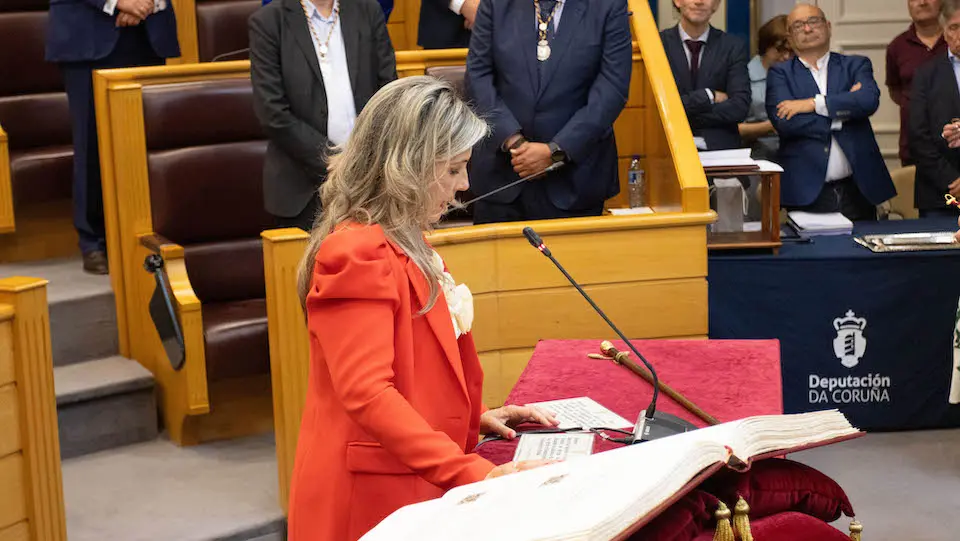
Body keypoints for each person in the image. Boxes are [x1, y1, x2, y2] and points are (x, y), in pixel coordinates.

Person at [288, 77, 558, 541]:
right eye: (454, 169)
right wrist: (468, 471)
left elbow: (421, 367)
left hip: (408, 480)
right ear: (407, 166)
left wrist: (476, 415)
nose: (465, 185)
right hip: (369, 499)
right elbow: (368, 393)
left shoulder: (405, 240)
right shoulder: (357, 251)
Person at [465, 0, 632, 224]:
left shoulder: (608, 5)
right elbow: (477, 78)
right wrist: (515, 144)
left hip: (575, 183)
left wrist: (555, 153)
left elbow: (612, 89)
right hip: (502, 178)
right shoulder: (496, 4)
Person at [46, 0, 179, 274]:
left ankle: (146, 233)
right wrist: (119, 2)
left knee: (147, 144)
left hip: (147, 34)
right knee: (91, 142)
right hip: (88, 32)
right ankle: (93, 241)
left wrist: (147, 3)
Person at [250, 0, 397, 231]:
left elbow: (389, 92)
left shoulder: (367, 10)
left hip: (370, 182)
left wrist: (361, 159)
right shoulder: (269, 21)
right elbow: (272, 112)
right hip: (302, 189)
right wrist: (331, 158)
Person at [767, 3, 895, 221]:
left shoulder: (855, 65)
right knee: (814, 253)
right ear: (790, 38)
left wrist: (813, 104)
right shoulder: (780, 73)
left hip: (858, 189)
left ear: (827, 26)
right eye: (798, 26)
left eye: (813, 22)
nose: (807, 29)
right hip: (807, 189)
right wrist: (844, 112)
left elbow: (867, 101)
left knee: (865, 251)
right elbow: (785, 122)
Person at [661, 0, 751, 151]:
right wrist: (708, 95)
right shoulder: (659, 44)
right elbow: (659, 107)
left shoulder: (733, 47)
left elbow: (740, 107)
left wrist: (683, 113)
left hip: (721, 153)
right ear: (677, 1)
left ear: (716, 4)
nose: (699, 2)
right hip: (670, 149)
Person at [910, 0, 960, 217]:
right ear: (944, 32)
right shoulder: (925, 74)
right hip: (939, 193)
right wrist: (953, 181)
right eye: (954, 27)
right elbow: (918, 136)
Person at [887, 0, 947, 167]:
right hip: (914, 146)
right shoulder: (896, 47)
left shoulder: (955, 42)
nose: (922, 2)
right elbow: (895, 90)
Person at [740, 15, 792, 161]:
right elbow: (733, 129)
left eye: (791, 51)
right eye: (779, 50)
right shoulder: (743, 76)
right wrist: (770, 126)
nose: (786, 57)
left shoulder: (798, 73)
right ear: (765, 47)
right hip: (756, 156)